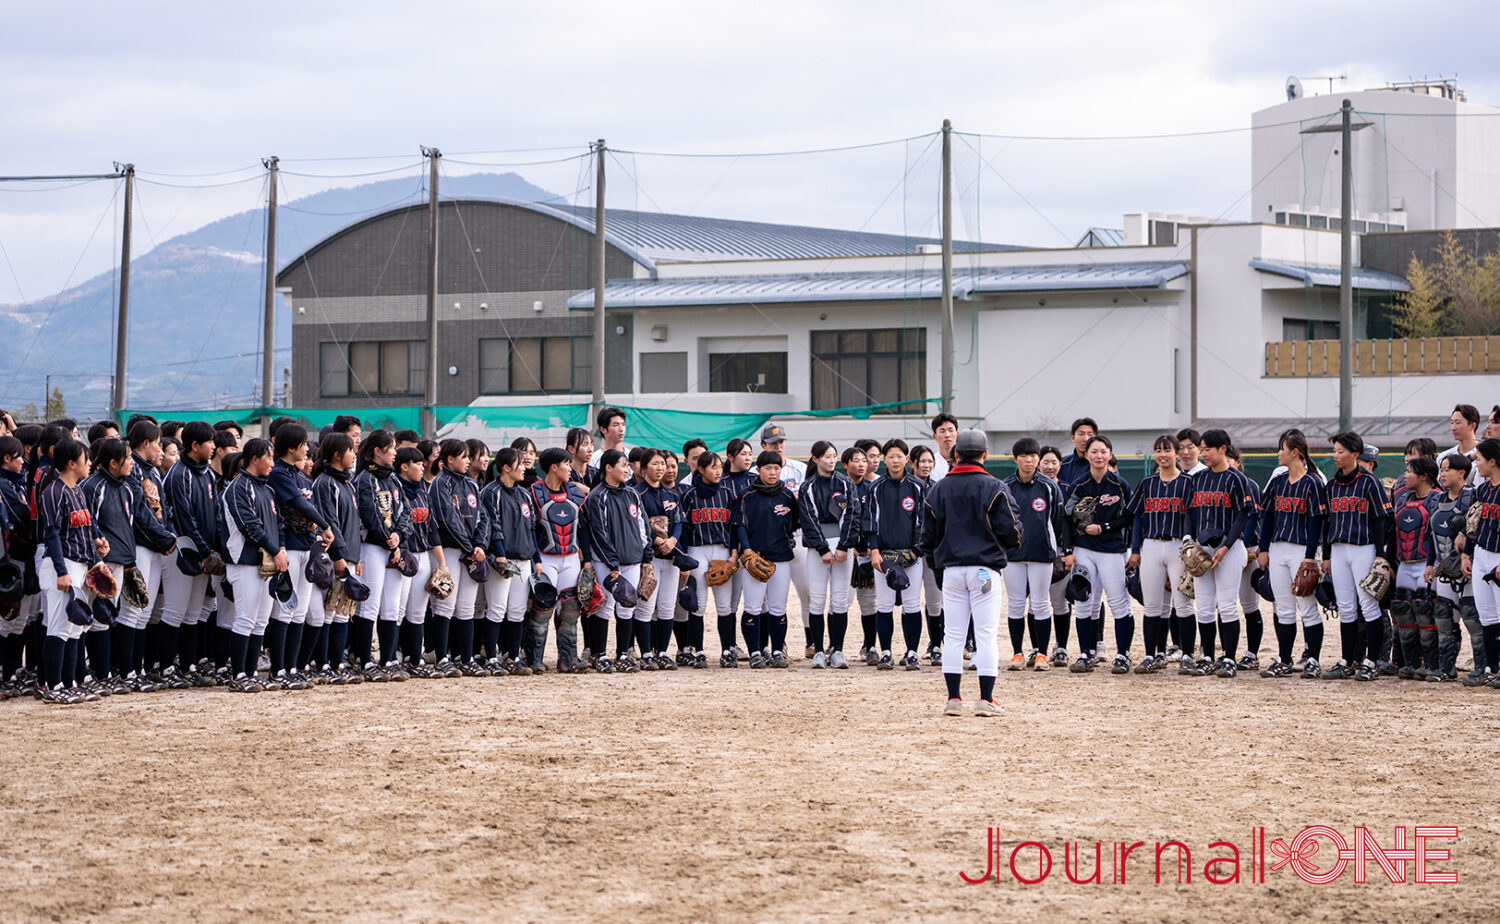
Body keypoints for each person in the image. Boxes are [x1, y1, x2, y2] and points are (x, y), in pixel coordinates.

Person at [922, 429, 1021, 717]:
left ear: (956, 454)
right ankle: (985, 699)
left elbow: (927, 537)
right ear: (985, 454)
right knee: (985, 634)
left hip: (952, 570)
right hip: (984, 569)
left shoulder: (938, 488)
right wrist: (1006, 546)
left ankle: (953, 699)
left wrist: (936, 562)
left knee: (953, 635)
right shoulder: (995, 486)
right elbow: (1012, 531)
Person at [1321, 432, 1395, 681]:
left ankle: (1371, 661)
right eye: (1335, 451)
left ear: (1355, 454)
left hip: (1364, 547)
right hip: (1338, 550)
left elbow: (1380, 520)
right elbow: (1327, 522)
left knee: (1369, 605)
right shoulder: (1331, 486)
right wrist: (1327, 555)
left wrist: (1380, 555)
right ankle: (1347, 660)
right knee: (1346, 607)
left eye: (1341, 451)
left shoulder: (1369, 482)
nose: (1336, 455)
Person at [1181, 429, 1254, 678]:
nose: (1203, 453)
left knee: (1227, 606)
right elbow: (1189, 511)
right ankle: (1208, 657)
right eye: (1201, 449)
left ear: (1222, 449)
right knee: (1203, 607)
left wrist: (1225, 546)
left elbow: (1242, 516)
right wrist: (1188, 539)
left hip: (1229, 549)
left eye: (1207, 449)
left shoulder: (1237, 479)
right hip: (1203, 548)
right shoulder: (1197, 479)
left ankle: (1229, 658)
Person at [1255, 430, 1328, 678]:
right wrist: (1264, 549)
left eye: (1282, 449)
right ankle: (1284, 660)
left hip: (1301, 550)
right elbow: (1267, 518)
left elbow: (1316, 523)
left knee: (1307, 607)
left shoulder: (1313, 482)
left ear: (1295, 452)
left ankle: (1313, 660)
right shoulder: (1278, 482)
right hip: (1277, 549)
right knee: (1284, 608)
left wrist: (1310, 556)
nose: (1279, 453)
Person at [35, 439, 104, 703]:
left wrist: (98, 549)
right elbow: (51, 535)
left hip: (81, 565)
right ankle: (53, 686)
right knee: (59, 627)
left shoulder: (78, 491)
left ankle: (69, 683)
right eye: (85, 459)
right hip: (61, 565)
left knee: (76, 628)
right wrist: (61, 571)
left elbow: (87, 528)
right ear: (72, 463)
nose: (90, 464)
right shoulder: (53, 492)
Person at [266, 424, 332, 689]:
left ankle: (292, 668)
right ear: (291, 447)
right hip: (288, 547)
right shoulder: (279, 474)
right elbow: (299, 504)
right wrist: (325, 525)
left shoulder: (299, 476)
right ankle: (278, 670)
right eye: (303, 444)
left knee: (299, 613)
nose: (307, 449)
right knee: (284, 611)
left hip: (305, 545)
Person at [220, 438, 287, 693]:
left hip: (266, 562)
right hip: (244, 561)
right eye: (268, 457)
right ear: (255, 459)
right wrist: (275, 551)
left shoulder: (267, 489)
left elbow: (278, 523)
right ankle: (238, 675)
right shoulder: (237, 487)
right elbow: (249, 526)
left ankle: (250, 673)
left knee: (260, 621)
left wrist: (281, 548)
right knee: (245, 619)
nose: (272, 463)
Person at [1124, 435, 1194, 675]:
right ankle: (1151, 655)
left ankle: (1188, 655)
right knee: (1153, 605)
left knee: (1182, 604)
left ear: (1177, 453)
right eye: (1158, 450)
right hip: (1152, 545)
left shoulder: (1188, 483)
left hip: (1177, 546)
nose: (1163, 455)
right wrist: (1135, 550)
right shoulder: (1148, 483)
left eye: (1167, 450)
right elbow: (1137, 517)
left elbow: (1192, 516)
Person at [159, 421, 220, 686]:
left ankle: (188, 666)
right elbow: (184, 519)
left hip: (204, 551)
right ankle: (166, 669)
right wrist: (204, 552)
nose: (214, 446)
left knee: (194, 613)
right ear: (195, 445)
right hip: (181, 550)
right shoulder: (178, 474)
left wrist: (214, 549)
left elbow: (216, 514)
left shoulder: (207, 473)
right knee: (175, 610)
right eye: (210, 442)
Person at [1064, 434, 1132, 673]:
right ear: (1086, 455)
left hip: (1111, 550)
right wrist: (1068, 551)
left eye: (1103, 451)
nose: (1099, 456)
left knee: (1118, 602)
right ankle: (1085, 653)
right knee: (1083, 601)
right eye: (1094, 451)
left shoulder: (1119, 485)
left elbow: (1129, 517)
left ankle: (1123, 655)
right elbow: (1066, 518)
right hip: (1083, 549)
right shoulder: (1079, 485)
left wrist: (1104, 527)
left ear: (1110, 454)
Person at [1003, 438, 1070, 672]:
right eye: (1023, 456)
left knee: (1041, 604)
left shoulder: (1049, 486)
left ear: (1038, 459)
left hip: (1042, 554)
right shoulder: (1006, 486)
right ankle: (1017, 654)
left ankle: (1041, 654)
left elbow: (1058, 521)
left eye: (1033, 456)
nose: (1028, 460)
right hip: (1013, 555)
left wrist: (1056, 548)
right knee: (1015, 604)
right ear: (1015, 459)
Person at [580, 449, 648, 673]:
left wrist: (645, 556)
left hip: (632, 560)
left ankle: (622, 655)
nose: (627, 469)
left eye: (627, 465)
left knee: (628, 607)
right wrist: (612, 564)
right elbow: (598, 533)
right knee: (604, 607)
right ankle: (600, 655)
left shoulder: (632, 494)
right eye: (622, 465)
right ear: (608, 468)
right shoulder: (597, 496)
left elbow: (643, 527)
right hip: (606, 563)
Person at [352, 430, 413, 681]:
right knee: (370, 604)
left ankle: (388, 659)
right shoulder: (365, 479)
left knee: (391, 606)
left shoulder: (394, 479)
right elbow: (370, 514)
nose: (395, 452)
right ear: (377, 451)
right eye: (391, 447)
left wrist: (399, 535)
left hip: (393, 546)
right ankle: (364, 660)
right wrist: (389, 540)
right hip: (372, 546)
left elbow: (406, 512)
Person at [798, 440, 863, 669]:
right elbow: (808, 520)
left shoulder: (846, 483)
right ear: (815, 459)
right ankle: (818, 651)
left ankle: (837, 650)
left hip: (842, 547)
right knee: (817, 600)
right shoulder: (807, 487)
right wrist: (823, 549)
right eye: (826, 456)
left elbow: (853, 515)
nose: (831, 460)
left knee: (840, 600)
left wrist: (844, 546)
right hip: (818, 549)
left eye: (833, 455)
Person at [736, 450, 801, 668]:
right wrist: (746, 550)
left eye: (776, 468)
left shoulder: (787, 496)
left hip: (781, 557)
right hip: (755, 557)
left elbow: (794, 524)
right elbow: (740, 525)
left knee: (778, 607)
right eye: (768, 468)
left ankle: (777, 651)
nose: (773, 472)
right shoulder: (747, 495)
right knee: (753, 606)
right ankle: (755, 652)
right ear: (758, 470)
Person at [865, 439, 927, 670]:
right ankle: (886, 652)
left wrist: (915, 552)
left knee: (912, 604)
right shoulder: (876, 487)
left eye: (900, 456)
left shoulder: (917, 486)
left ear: (907, 459)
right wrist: (874, 551)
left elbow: (922, 522)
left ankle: (912, 653)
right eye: (890, 456)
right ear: (884, 459)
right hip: (884, 556)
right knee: (884, 604)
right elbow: (870, 522)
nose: (895, 460)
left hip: (911, 555)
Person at [429, 438, 489, 676]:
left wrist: (480, 545)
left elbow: (483, 518)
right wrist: (469, 547)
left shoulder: (471, 484)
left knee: (466, 607)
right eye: (463, 457)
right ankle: (442, 658)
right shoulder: (440, 483)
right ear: (449, 459)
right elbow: (447, 518)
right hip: (450, 550)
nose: (467, 461)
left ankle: (466, 658)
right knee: (445, 604)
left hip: (470, 552)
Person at [480, 447, 542, 675]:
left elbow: (532, 528)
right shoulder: (491, 492)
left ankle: (513, 657)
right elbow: (493, 525)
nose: (524, 467)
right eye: (519, 463)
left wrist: (536, 558)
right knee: (497, 609)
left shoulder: (524, 494)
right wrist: (500, 554)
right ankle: (491, 658)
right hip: (502, 559)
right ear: (506, 467)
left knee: (517, 611)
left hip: (524, 559)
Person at [531, 448, 591, 672]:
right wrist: (536, 559)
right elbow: (530, 529)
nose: (570, 469)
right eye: (566, 464)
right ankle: (534, 659)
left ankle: (568, 660)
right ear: (554, 467)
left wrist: (587, 560)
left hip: (571, 558)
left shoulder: (575, 493)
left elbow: (583, 528)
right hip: (545, 557)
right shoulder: (534, 492)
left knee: (570, 608)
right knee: (542, 609)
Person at [311, 434, 363, 683]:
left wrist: (355, 557)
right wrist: (338, 556)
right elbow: (329, 523)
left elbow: (353, 525)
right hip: (334, 557)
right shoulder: (325, 483)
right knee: (328, 611)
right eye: (350, 450)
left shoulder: (347, 483)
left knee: (343, 612)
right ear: (336, 455)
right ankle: (322, 665)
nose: (354, 454)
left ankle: (337, 663)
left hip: (350, 556)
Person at [757, 424, 810, 659]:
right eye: (772, 443)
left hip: (797, 537)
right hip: (769, 540)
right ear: (763, 445)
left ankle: (811, 642)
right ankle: (775, 644)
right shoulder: (756, 472)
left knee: (807, 591)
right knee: (769, 598)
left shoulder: (801, 469)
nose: (778, 446)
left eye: (781, 442)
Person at [394, 446, 443, 677]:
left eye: (423, 463)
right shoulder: (395, 490)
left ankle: (415, 659)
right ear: (404, 467)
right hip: (403, 555)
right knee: (397, 610)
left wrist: (441, 563)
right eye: (417, 463)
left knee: (418, 611)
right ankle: (392, 657)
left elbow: (432, 529)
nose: (423, 466)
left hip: (423, 554)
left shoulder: (424, 491)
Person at [634, 448, 685, 671]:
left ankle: (661, 652)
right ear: (644, 467)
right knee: (646, 607)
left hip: (671, 557)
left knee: (667, 607)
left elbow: (679, 522)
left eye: (662, 463)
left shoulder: (672, 494)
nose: (661, 468)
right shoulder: (636, 493)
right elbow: (637, 525)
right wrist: (657, 540)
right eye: (655, 463)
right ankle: (646, 653)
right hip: (649, 558)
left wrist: (672, 540)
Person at [1390, 456, 1440, 678]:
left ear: (1424, 477)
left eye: (1411, 472)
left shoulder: (1437, 498)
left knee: (1424, 610)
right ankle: (1409, 663)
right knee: (1401, 610)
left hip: (1426, 563)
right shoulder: (1402, 498)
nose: (1406, 476)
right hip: (1405, 563)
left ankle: (1429, 663)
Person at [1431, 453, 1478, 683]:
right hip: (1444, 567)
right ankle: (1446, 668)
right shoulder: (1438, 499)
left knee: (1472, 617)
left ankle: (1484, 667)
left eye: (1447, 469)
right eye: (1441, 469)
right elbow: (1430, 536)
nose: (1442, 474)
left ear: (1461, 473)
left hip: (1468, 567)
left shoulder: (1472, 496)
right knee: (1443, 616)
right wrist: (1430, 564)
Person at [1462, 438, 1500, 685]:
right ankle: (1490, 667)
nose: (1477, 464)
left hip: (1498, 555)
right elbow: (1472, 525)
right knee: (1486, 616)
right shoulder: (1483, 489)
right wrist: (1466, 554)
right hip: (1481, 554)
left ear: (1493, 461)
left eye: (1480, 460)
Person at [909, 445, 945, 664]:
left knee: (935, 601)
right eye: (922, 461)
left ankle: (936, 645)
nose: (926, 465)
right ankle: (910, 649)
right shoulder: (905, 486)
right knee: (910, 600)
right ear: (912, 463)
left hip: (932, 551)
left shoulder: (938, 487)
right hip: (911, 551)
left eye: (930, 461)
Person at [1438, 404, 1482, 485]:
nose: (1453, 428)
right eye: (1452, 423)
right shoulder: (1443, 457)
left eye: (1457, 423)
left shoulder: (1484, 455)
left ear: (1472, 426)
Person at [1056, 418, 1097, 489]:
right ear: (1073, 438)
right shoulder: (1062, 465)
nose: (1086, 439)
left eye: (1090, 435)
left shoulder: (1103, 464)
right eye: (1081, 434)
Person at [590, 407, 628, 472]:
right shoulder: (594, 460)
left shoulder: (631, 456)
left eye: (623, 424)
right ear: (603, 429)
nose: (621, 429)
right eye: (616, 425)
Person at [927, 413, 959, 482]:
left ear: (957, 434)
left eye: (951, 430)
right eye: (942, 431)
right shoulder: (930, 463)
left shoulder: (965, 461)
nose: (947, 435)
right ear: (935, 436)